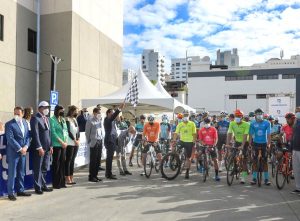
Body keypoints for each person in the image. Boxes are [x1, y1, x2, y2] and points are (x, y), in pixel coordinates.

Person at [5, 106, 31, 201]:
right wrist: (20, 148)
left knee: (21, 172)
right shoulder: (9, 124)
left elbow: (28, 137)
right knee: (12, 173)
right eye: (15, 113)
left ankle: (20, 190)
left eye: (18, 114)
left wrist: (26, 147)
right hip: (14, 153)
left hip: (23, 152)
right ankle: (10, 193)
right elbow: (10, 138)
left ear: (23, 114)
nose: (16, 115)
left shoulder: (25, 122)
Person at [30, 101, 53, 194]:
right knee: (38, 168)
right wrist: (39, 147)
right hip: (40, 149)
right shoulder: (35, 118)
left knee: (44, 168)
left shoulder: (47, 118)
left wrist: (51, 145)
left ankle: (43, 185)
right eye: (45, 107)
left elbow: (49, 134)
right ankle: (37, 187)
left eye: (48, 107)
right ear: (39, 108)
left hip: (47, 148)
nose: (47, 109)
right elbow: (35, 135)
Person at [226, 109, 250, 184]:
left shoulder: (246, 124)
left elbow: (245, 135)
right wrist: (228, 143)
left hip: (245, 142)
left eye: (239, 116)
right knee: (232, 155)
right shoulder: (232, 123)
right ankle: (234, 168)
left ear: (242, 117)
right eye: (236, 116)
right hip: (237, 141)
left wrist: (242, 145)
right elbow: (229, 133)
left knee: (244, 161)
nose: (237, 117)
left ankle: (243, 177)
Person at [249, 108, 271, 186]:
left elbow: (268, 134)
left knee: (265, 161)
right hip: (255, 143)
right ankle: (254, 178)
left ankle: (266, 179)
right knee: (254, 161)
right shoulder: (252, 123)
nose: (259, 115)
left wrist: (269, 144)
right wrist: (249, 144)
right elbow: (250, 135)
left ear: (262, 114)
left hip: (264, 143)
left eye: (260, 113)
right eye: (257, 114)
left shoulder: (267, 123)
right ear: (255, 115)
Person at [172, 111, 197, 179]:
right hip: (182, 141)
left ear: (189, 116)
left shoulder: (192, 124)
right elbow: (176, 133)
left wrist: (194, 142)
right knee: (175, 150)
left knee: (188, 158)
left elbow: (194, 133)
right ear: (182, 116)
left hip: (189, 142)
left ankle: (187, 172)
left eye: (187, 115)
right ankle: (176, 159)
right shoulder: (180, 124)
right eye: (184, 115)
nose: (185, 116)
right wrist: (174, 140)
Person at [104, 102, 125, 179]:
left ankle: (109, 173)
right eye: (112, 113)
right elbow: (113, 117)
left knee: (110, 158)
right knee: (109, 158)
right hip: (109, 141)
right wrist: (119, 109)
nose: (113, 114)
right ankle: (108, 174)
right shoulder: (107, 119)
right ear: (108, 113)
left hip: (113, 140)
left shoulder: (112, 120)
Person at [50, 105, 68, 189]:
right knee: (56, 164)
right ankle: (56, 183)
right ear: (57, 111)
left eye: (63, 111)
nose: (62, 112)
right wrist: (61, 142)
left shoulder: (63, 119)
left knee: (62, 163)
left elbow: (66, 131)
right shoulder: (52, 119)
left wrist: (66, 141)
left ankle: (62, 182)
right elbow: (53, 133)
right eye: (61, 111)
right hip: (57, 145)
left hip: (64, 145)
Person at [85, 107, 103, 182]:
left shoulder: (99, 121)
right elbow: (87, 132)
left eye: (100, 113)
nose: (99, 114)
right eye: (98, 113)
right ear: (94, 113)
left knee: (98, 160)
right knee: (93, 160)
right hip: (94, 142)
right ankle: (91, 176)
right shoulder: (90, 121)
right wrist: (89, 141)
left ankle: (95, 175)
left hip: (99, 141)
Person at [65, 105, 80, 185]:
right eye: (76, 111)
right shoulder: (67, 119)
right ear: (72, 111)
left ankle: (71, 177)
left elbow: (77, 130)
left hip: (76, 143)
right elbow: (68, 131)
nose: (77, 113)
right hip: (70, 142)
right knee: (68, 160)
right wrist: (74, 140)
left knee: (72, 161)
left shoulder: (75, 119)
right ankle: (67, 178)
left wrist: (78, 139)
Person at [291, 107, 300, 194]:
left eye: (298, 112)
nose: (297, 114)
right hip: (295, 149)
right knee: (296, 170)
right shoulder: (296, 123)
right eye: (296, 112)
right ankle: (298, 188)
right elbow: (293, 136)